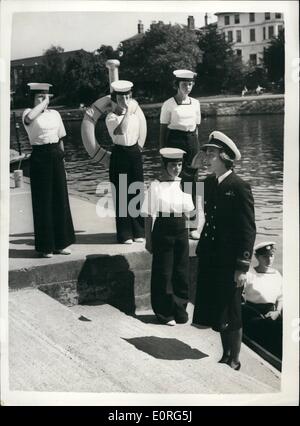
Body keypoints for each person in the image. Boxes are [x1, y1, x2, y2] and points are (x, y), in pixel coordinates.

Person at [192, 131, 256, 370]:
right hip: (211, 255)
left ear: (225, 157)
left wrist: (242, 266)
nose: (207, 156)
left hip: (230, 259)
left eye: (212, 153)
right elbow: (186, 188)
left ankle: (235, 359)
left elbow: (248, 229)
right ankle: (225, 354)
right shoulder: (209, 183)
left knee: (232, 308)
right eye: (207, 152)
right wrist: (193, 166)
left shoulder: (239, 186)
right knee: (219, 306)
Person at [142, 148, 195, 326]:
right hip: (163, 229)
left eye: (179, 164)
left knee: (181, 271)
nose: (177, 168)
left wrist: (188, 232)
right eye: (173, 165)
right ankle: (164, 313)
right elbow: (149, 215)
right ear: (165, 165)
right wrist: (148, 240)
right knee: (163, 273)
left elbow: (189, 213)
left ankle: (180, 309)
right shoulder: (156, 185)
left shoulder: (184, 184)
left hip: (181, 229)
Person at [22, 83, 75, 258]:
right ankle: (46, 246)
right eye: (39, 97)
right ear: (33, 99)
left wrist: (64, 161)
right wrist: (42, 104)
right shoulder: (28, 113)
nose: (44, 100)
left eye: (46, 97)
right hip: (40, 156)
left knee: (60, 199)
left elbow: (61, 138)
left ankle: (61, 243)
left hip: (56, 155)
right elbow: (30, 118)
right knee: (43, 202)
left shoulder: (55, 114)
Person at [159, 69, 201, 240]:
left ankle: (192, 226)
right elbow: (162, 130)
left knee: (193, 184)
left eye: (190, 84)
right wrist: (163, 153)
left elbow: (197, 127)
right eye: (184, 84)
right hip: (174, 141)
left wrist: (198, 151)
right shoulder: (168, 104)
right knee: (175, 182)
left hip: (192, 141)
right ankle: (175, 223)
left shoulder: (196, 103)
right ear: (177, 85)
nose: (187, 87)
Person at [105, 80, 145, 244]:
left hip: (134, 153)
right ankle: (125, 233)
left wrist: (130, 112)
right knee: (122, 194)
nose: (125, 100)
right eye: (121, 98)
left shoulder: (136, 116)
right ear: (115, 99)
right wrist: (127, 111)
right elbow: (120, 131)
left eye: (127, 96)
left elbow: (138, 134)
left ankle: (138, 231)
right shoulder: (111, 117)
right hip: (120, 154)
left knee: (136, 192)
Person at [242, 241, 283, 358]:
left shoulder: (277, 275)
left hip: (272, 313)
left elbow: (281, 298)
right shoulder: (249, 274)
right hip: (252, 313)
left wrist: (277, 312)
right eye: (265, 256)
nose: (269, 260)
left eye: (271, 255)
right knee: (264, 331)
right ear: (256, 257)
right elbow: (239, 296)